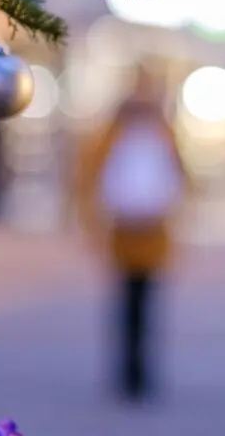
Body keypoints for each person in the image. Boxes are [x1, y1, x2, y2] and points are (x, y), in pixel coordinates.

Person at [74, 69, 187, 403]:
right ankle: (129, 371)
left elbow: (177, 178)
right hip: (126, 231)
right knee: (129, 303)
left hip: (150, 232)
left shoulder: (157, 135)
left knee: (142, 304)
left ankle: (138, 371)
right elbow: (93, 177)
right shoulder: (122, 135)